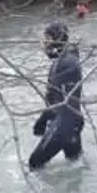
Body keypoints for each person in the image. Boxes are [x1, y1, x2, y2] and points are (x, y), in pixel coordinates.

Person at [28, 20, 85, 169]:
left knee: (34, 164)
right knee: (75, 165)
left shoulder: (64, 63)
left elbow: (56, 100)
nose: (43, 44)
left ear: (57, 39)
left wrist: (42, 120)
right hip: (74, 122)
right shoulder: (69, 58)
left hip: (64, 127)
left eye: (47, 39)